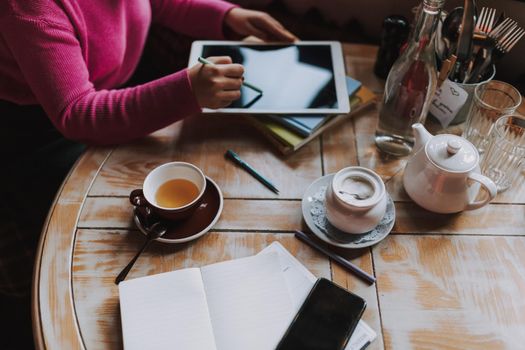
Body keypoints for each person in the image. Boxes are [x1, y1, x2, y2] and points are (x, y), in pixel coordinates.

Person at [0, 0, 296, 347]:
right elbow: (77, 113)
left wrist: (226, 16)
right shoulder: (29, 9)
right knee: (118, 246)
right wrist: (187, 91)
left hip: (109, 96)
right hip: (42, 138)